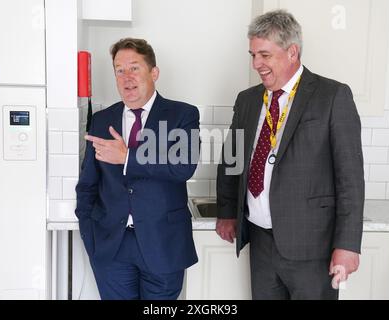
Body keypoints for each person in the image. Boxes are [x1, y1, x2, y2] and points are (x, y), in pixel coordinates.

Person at [216, 10, 364, 300]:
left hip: (312, 247)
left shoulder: (332, 96)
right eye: (253, 55)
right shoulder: (247, 100)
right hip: (260, 241)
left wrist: (348, 245)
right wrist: (226, 210)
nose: (256, 64)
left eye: (264, 55)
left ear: (292, 52)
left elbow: (350, 179)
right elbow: (231, 159)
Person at [75, 38, 199, 300]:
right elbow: (88, 184)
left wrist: (128, 157)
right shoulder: (101, 120)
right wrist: (90, 232)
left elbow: (183, 166)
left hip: (163, 245)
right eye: (119, 70)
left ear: (153, 72)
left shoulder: (182, 115)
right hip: (111, 248)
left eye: (134, 68)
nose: (126, 77)